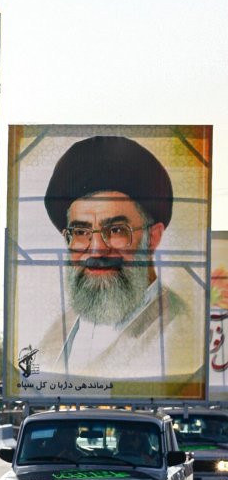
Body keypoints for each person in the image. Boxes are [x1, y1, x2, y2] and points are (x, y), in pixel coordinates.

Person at [39, 135, 197, 379]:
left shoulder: (180, 331)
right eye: (80, 232)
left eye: (115, 230)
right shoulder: (56, 334)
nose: (96, 250)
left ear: (153, 237)